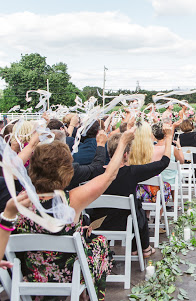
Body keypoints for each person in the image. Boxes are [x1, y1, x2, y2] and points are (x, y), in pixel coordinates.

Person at [15, 128, 135, 301]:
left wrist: (32, 145)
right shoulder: (71, 201)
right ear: (66, 170)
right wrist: (122, 142)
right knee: (98, 243)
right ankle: (87, 295)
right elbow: (109, 175)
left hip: (31, 275)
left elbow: (12, 168)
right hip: (71, 276)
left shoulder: (18, 202)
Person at [90, 125, 174, 259]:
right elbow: (164, 162)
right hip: (125, 224)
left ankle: (141, 247)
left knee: (136, 206)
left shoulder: (94, 171)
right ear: (125, 154)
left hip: (96, 224)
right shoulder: (132, 172)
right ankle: (144, 248)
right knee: (137, 207)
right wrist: (169, 137)